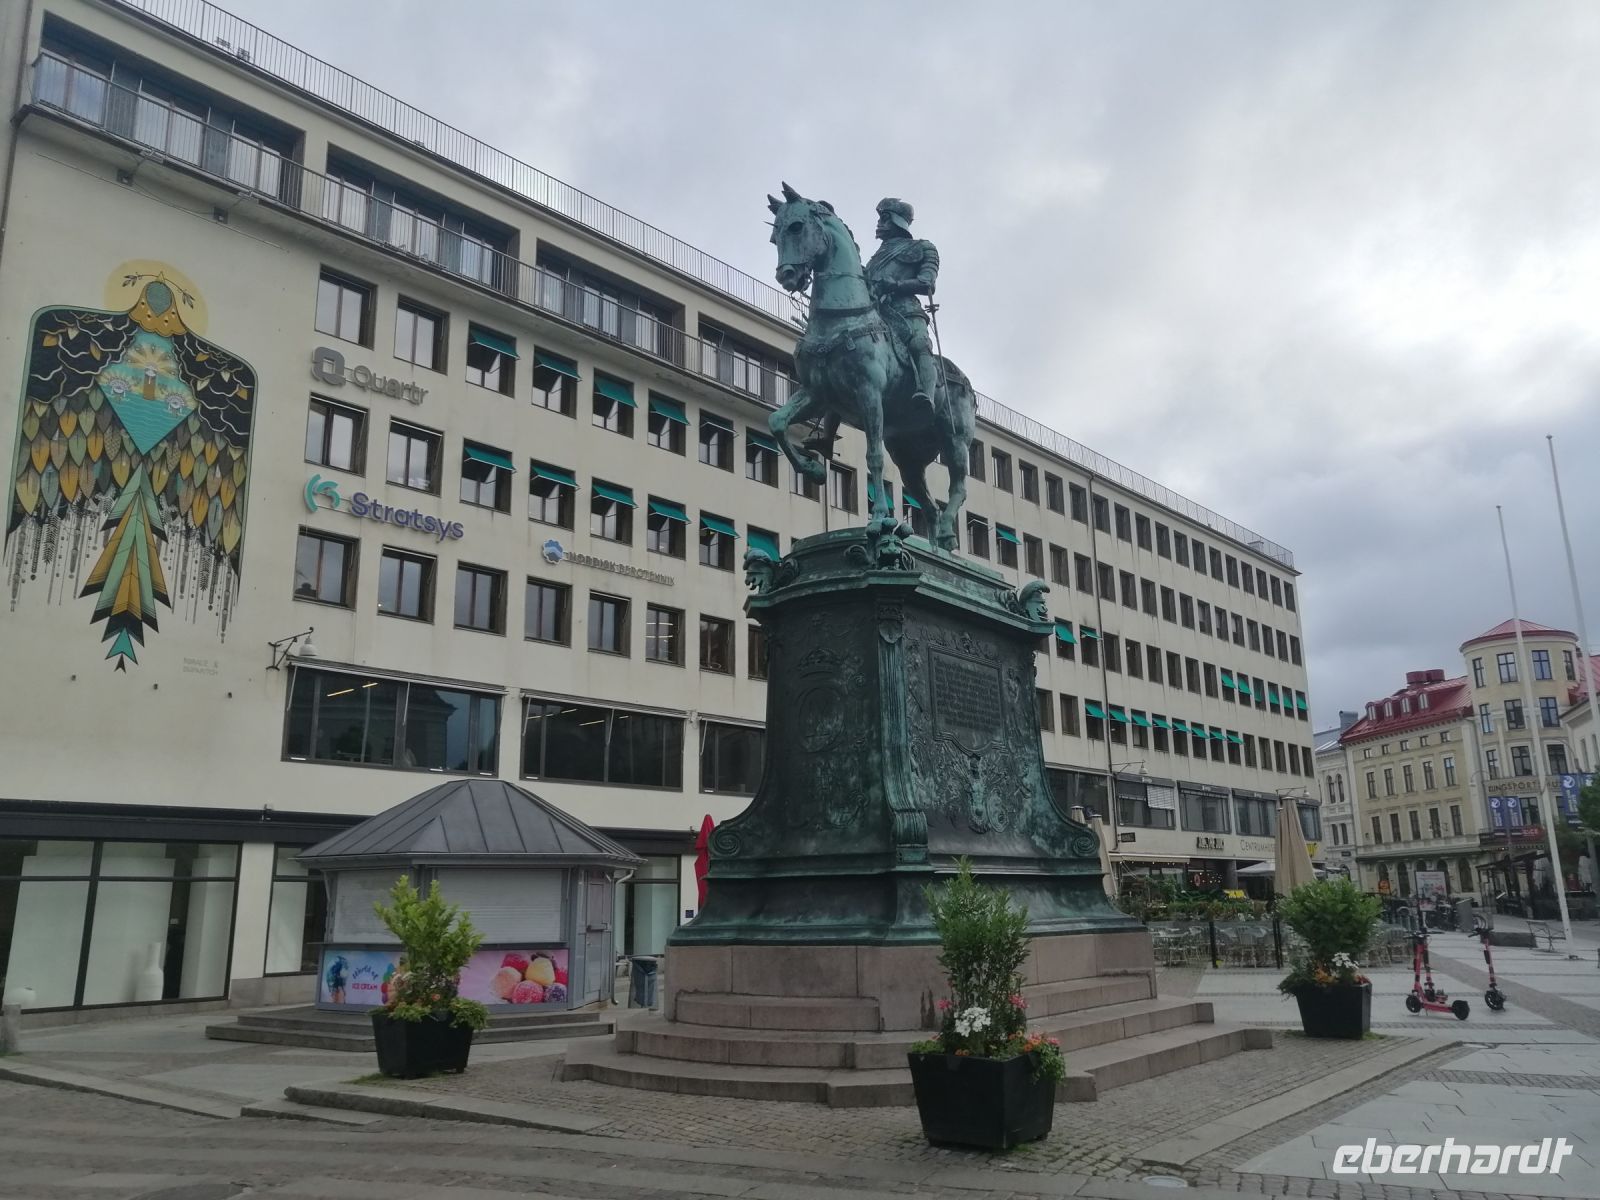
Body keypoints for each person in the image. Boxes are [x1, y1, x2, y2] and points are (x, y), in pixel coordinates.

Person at [805, 197, 942, 455]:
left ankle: (926, 396)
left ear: (898, 222)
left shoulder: (924, 248)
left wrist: (896, 285)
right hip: (873, 314)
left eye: (884, 219)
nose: (879, 224)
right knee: (843, 361)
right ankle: (826, 437)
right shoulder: (875, 258)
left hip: (906, 312)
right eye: (880, 218)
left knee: (920, 345)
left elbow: (927, 282)